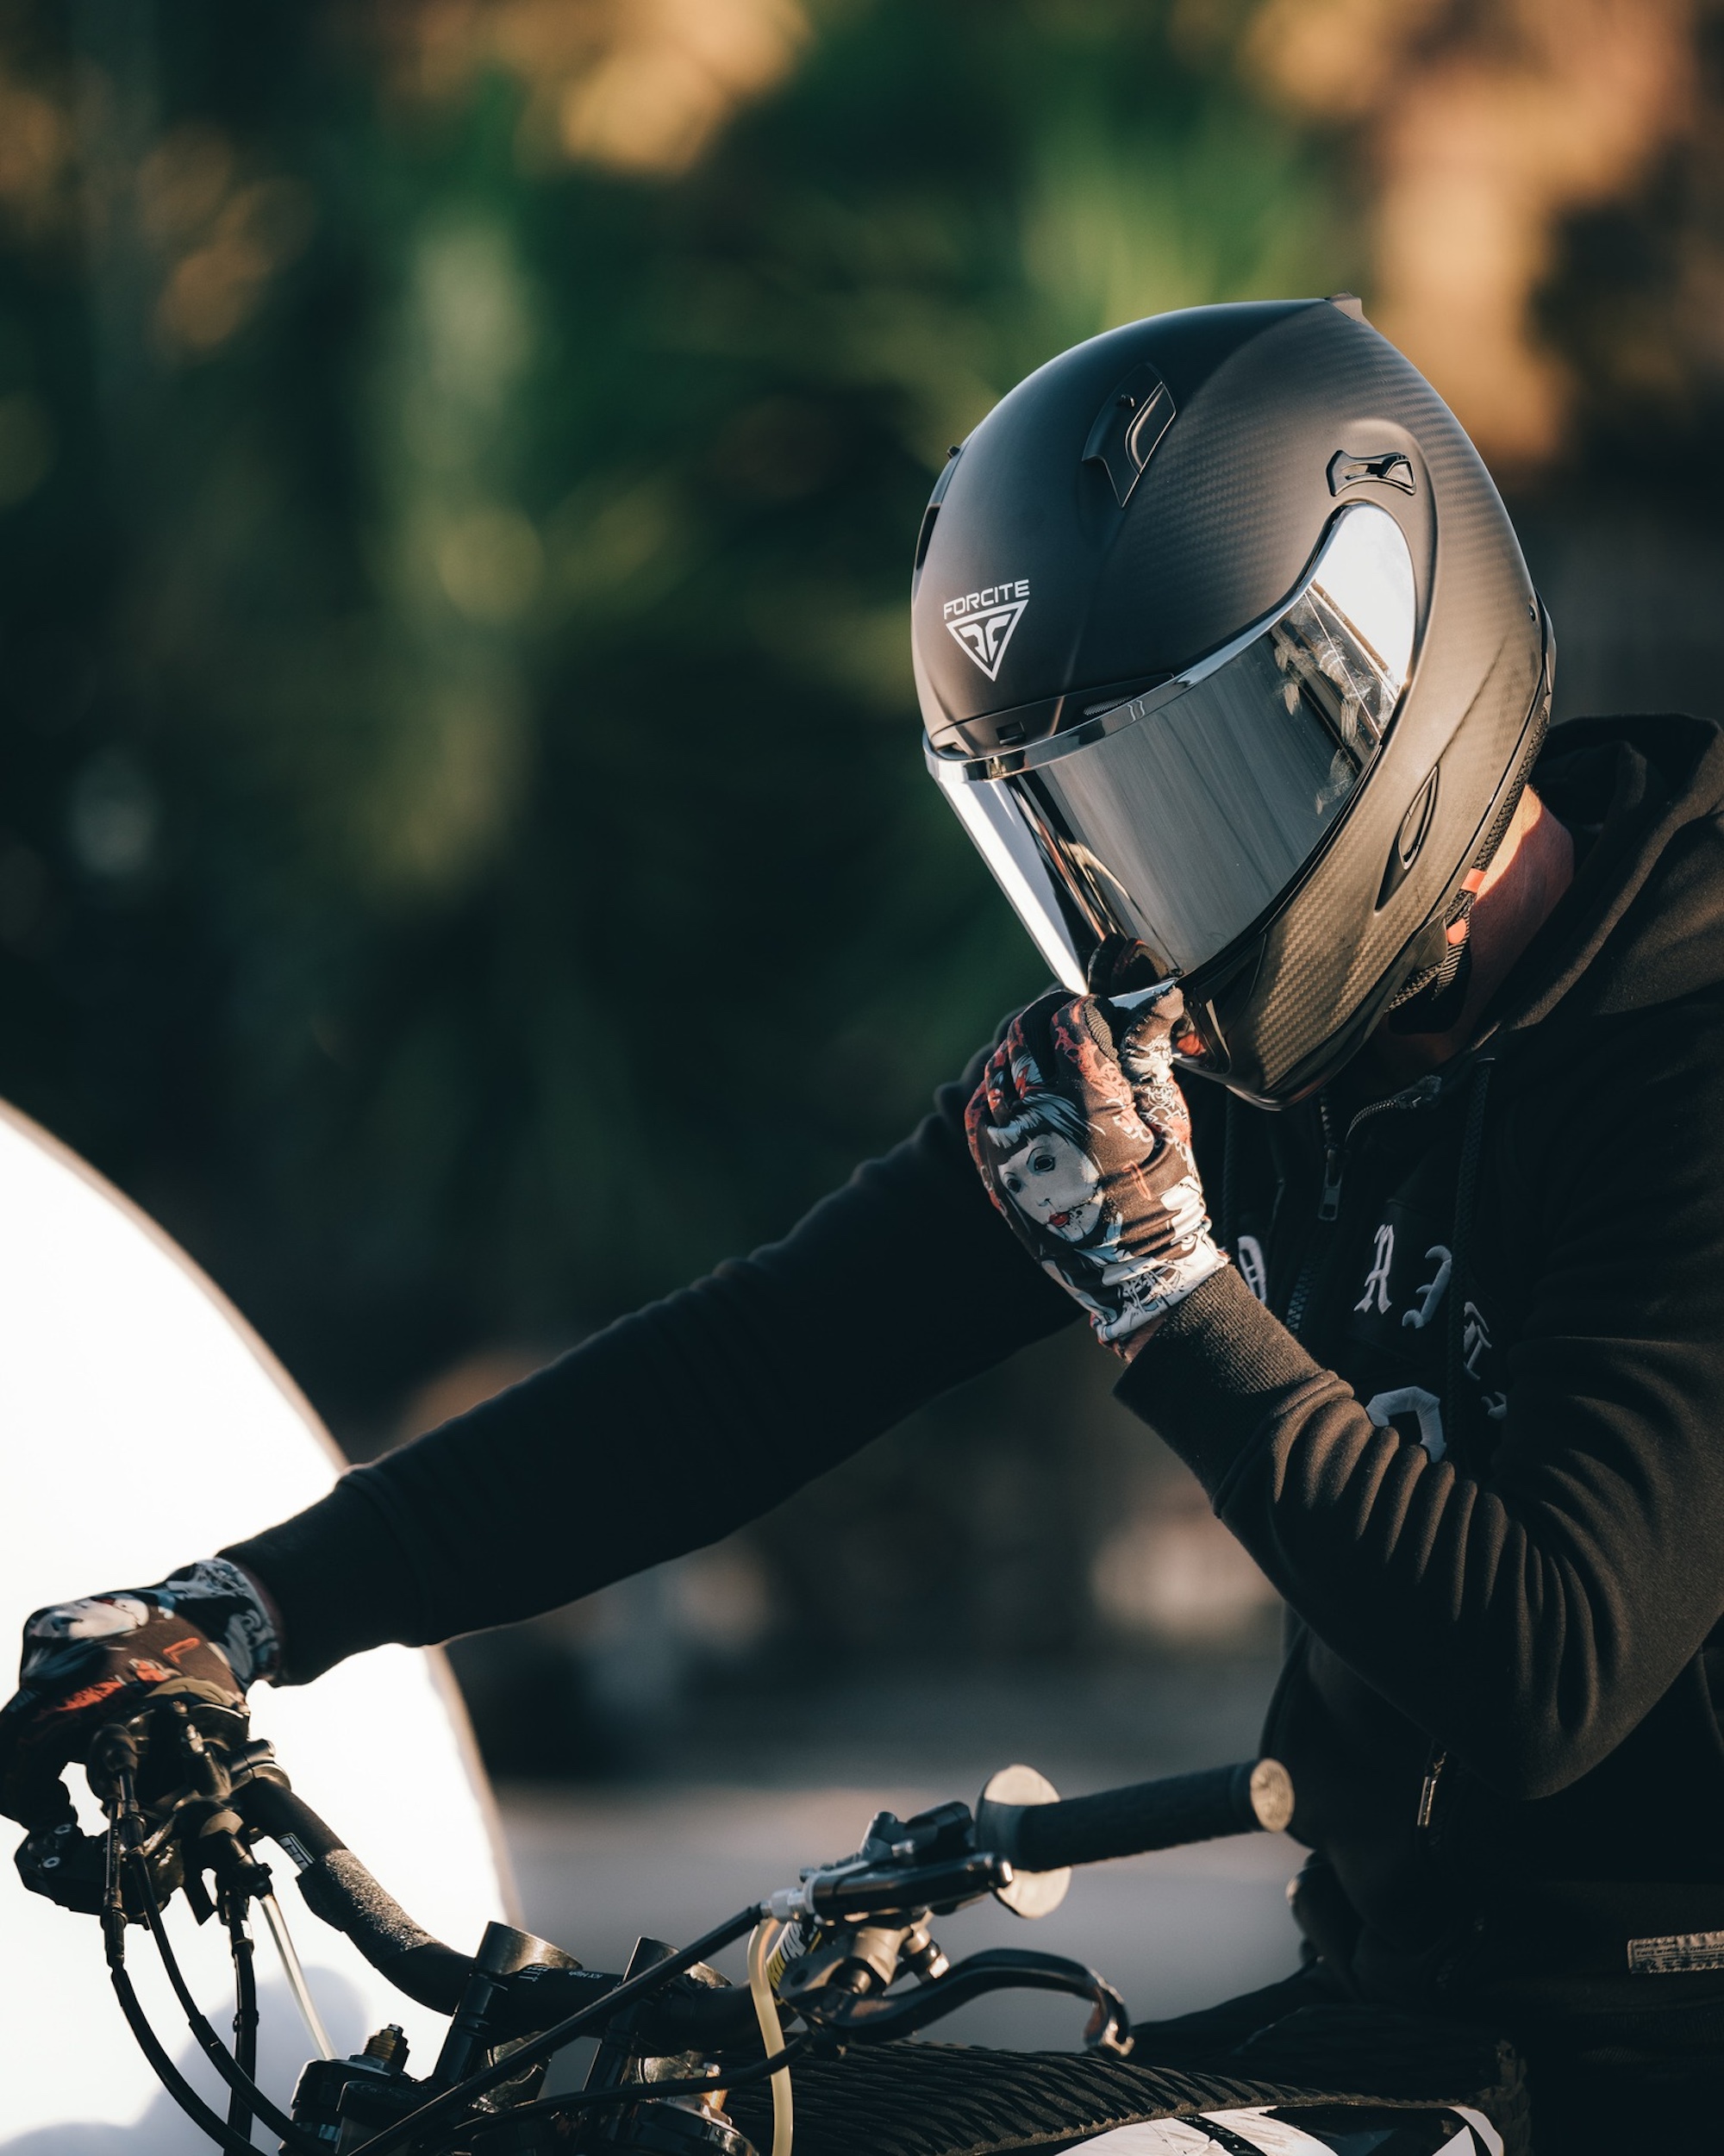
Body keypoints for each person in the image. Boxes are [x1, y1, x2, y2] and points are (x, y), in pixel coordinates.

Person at [9, 297, 1724, 2152]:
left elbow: (1545, 1662)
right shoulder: (1216, 1070)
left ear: (1394, 680)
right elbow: (758, 1365)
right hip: (1395, 2024)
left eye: (1193, 801)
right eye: (1081, 836)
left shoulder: (1682, 1056)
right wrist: (251, 1606)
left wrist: (1163, 1289)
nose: (1141, 920)